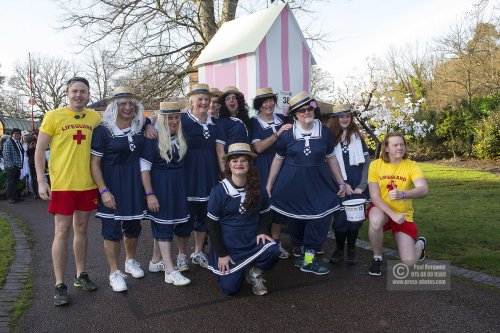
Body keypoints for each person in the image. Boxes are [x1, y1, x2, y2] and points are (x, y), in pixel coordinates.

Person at [35, 77, 101, 306]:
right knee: (61, 232)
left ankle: (81, 275)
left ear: (89, 94)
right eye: (74, 91)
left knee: (81, 230)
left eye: (83, 91)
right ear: (67, 93)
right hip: (63, 184)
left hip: (87, 184)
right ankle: (59, 284)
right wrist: (41, 181)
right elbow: (40, 149)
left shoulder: (95, 118)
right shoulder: (53, 116)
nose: (79, 95)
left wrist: (148, 124)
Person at [266, 91, 346, 275]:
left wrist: (341, 182)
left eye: (309, 108)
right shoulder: (287, 134)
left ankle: (309, 259)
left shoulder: (324, 131)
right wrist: (270, 183)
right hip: (292, 184)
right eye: (301, 111)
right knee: (295, 220)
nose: (306, 113)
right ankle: (303, 255)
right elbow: (278, 159)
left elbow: (331, 158)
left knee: (320, 218)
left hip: (318, 183)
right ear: (295, 114)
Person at [90, 86, 147, 292]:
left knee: (133, 227)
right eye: (122, 103)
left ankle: (130, 261)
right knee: (111, 230)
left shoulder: (139, 126)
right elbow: (94, 163)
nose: (127, 107)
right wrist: (103, 190)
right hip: (111, 183)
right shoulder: (103, 130)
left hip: (134, 182)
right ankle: (114, 272)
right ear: (115, 105)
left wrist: (148, 123)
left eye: (131, 102)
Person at [207, 143, 279, 296]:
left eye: (243, 160)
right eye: (234, 160)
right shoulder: (219, 191)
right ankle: (231, 271)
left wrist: (262, 230)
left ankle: (255, 274)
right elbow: (212, 224)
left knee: (273, 250)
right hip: (229, 246)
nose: (239, 164)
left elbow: (267, 213)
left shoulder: (258, 189)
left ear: (249, 164)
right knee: (231, 290)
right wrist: (222, 253)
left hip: (251, 241)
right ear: (228, 164)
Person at [140, 101, 191, 286]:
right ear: (163, 119)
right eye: (170, 118)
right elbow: (144, 169)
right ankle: (170, 270)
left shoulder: (181, 136)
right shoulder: (152, 138)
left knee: (167, 223)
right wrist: (149, 194)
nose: (174, 121)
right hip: (160, 187)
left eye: (177, 117)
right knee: (164, 227)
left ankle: (155, 261)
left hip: (178, 186)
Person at [367, 132, 429, 276]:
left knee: (409, 262)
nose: (400, 148)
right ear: (387, 148)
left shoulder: (411, 165)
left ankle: (420, 244)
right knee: (375, 218)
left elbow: (424, 189)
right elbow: (374, 197)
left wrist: (403, 194)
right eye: (395, 145)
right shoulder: (375, 165)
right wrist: (392, 214)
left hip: (403, 214)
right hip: (383, 210)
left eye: (402, 145)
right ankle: (377, 258)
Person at [181, 83, 221, 270]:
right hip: (189, 173)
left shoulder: (215, 122)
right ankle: (181, 255)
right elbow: (159, 122)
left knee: (205, 216)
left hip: (209, 172)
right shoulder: (182, 119)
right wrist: (149, 124)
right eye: (200, 99)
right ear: (192, 101)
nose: (204, 102)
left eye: (206, 99)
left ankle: (198, 252)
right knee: (185, 217)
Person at [250, 88, 293, 259]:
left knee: (280, 205)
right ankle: (261, 242)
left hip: (283, 166)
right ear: (258, 105)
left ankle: (276, 242)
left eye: (270, 100)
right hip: (263, 166)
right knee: (263, 203)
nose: (268, 104)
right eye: (264, 101)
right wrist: (278, 133)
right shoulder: (253, 122)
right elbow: (258, 147)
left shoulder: (282, 119)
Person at [324, 104, 370, 265]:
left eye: (347, 116)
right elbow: (328, 164)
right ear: (336, 119)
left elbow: (366, 163)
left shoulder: (358, 136)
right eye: (341, 116)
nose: (344, 119)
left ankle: (351, 250)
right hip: (339, 186)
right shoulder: (329, 138)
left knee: (355, 221)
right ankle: (338, 249)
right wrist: (342, 183)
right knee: (340, 222)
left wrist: (363, 184)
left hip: (358, 185)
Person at [216, 86, 251, 172]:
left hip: (246, 162)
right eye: (227, 99)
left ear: (239, 101)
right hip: (232, 164)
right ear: (224, 104)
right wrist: (225, 172)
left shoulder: (246, 121)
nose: (231, 100)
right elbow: (219, 149)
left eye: (234, 98)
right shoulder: (222, 122)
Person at [3, 128, 24, 203]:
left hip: (18, 166)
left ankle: (15, 197)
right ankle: (10, 198)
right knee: (10, 182)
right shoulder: (8, 142)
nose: (16, 135)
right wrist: (11, 166)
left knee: (15, 182)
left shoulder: (18, 142)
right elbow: (6, 155)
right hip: (11, 167)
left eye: (18, 134)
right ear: (12, 134)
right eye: (15, 134)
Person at [20, 131, 32, 197]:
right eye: (24, 137)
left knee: (29, 175)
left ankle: (29, 188)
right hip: (23, 161)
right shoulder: (20, 144)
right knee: (23, 175)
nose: (25, 138)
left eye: (27, 137)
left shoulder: (30, 144)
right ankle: (24, 189)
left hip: (29, 161)